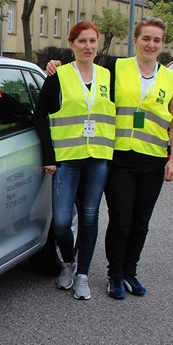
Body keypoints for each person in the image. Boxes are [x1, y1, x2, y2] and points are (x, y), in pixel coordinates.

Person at [44, 16, 173, 300]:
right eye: (146, 38)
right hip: (118, 156)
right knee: (120, 219)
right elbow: (83, 73)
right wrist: (54, 65)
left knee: (140, 221)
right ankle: (115, 275)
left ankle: (130, 272)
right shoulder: (116, 69)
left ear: (162, 43)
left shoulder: (171, 79)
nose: (151, 44)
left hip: (154, 157)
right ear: (135, 40)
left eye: (157, 39)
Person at [33, 22, 115, 300]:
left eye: (93, 41)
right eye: (82, 41)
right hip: (66, 159)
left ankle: (82, 275)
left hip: (98, 158)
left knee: (90, 216)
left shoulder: (107, 76)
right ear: (72, 44)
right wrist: (49, 156)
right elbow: (40, 116)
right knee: (62, 221)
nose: (88, 47)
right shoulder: (59, 75)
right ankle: (67, 263)